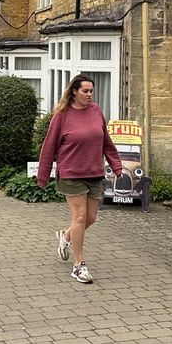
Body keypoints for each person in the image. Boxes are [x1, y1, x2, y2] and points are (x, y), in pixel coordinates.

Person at [36, 74, 121, 284]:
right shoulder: (62, 115)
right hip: (71, 173)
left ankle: (66, 237)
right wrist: (43, 176)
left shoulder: (96, 111)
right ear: (74, 91)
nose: (89, 94)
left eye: (91, 91)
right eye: (85, 91)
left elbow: (106, 143)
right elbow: (49, 147)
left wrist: (116, 166)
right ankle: (78, 266)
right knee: (80, 217)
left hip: (94, 172)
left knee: (90, 218)